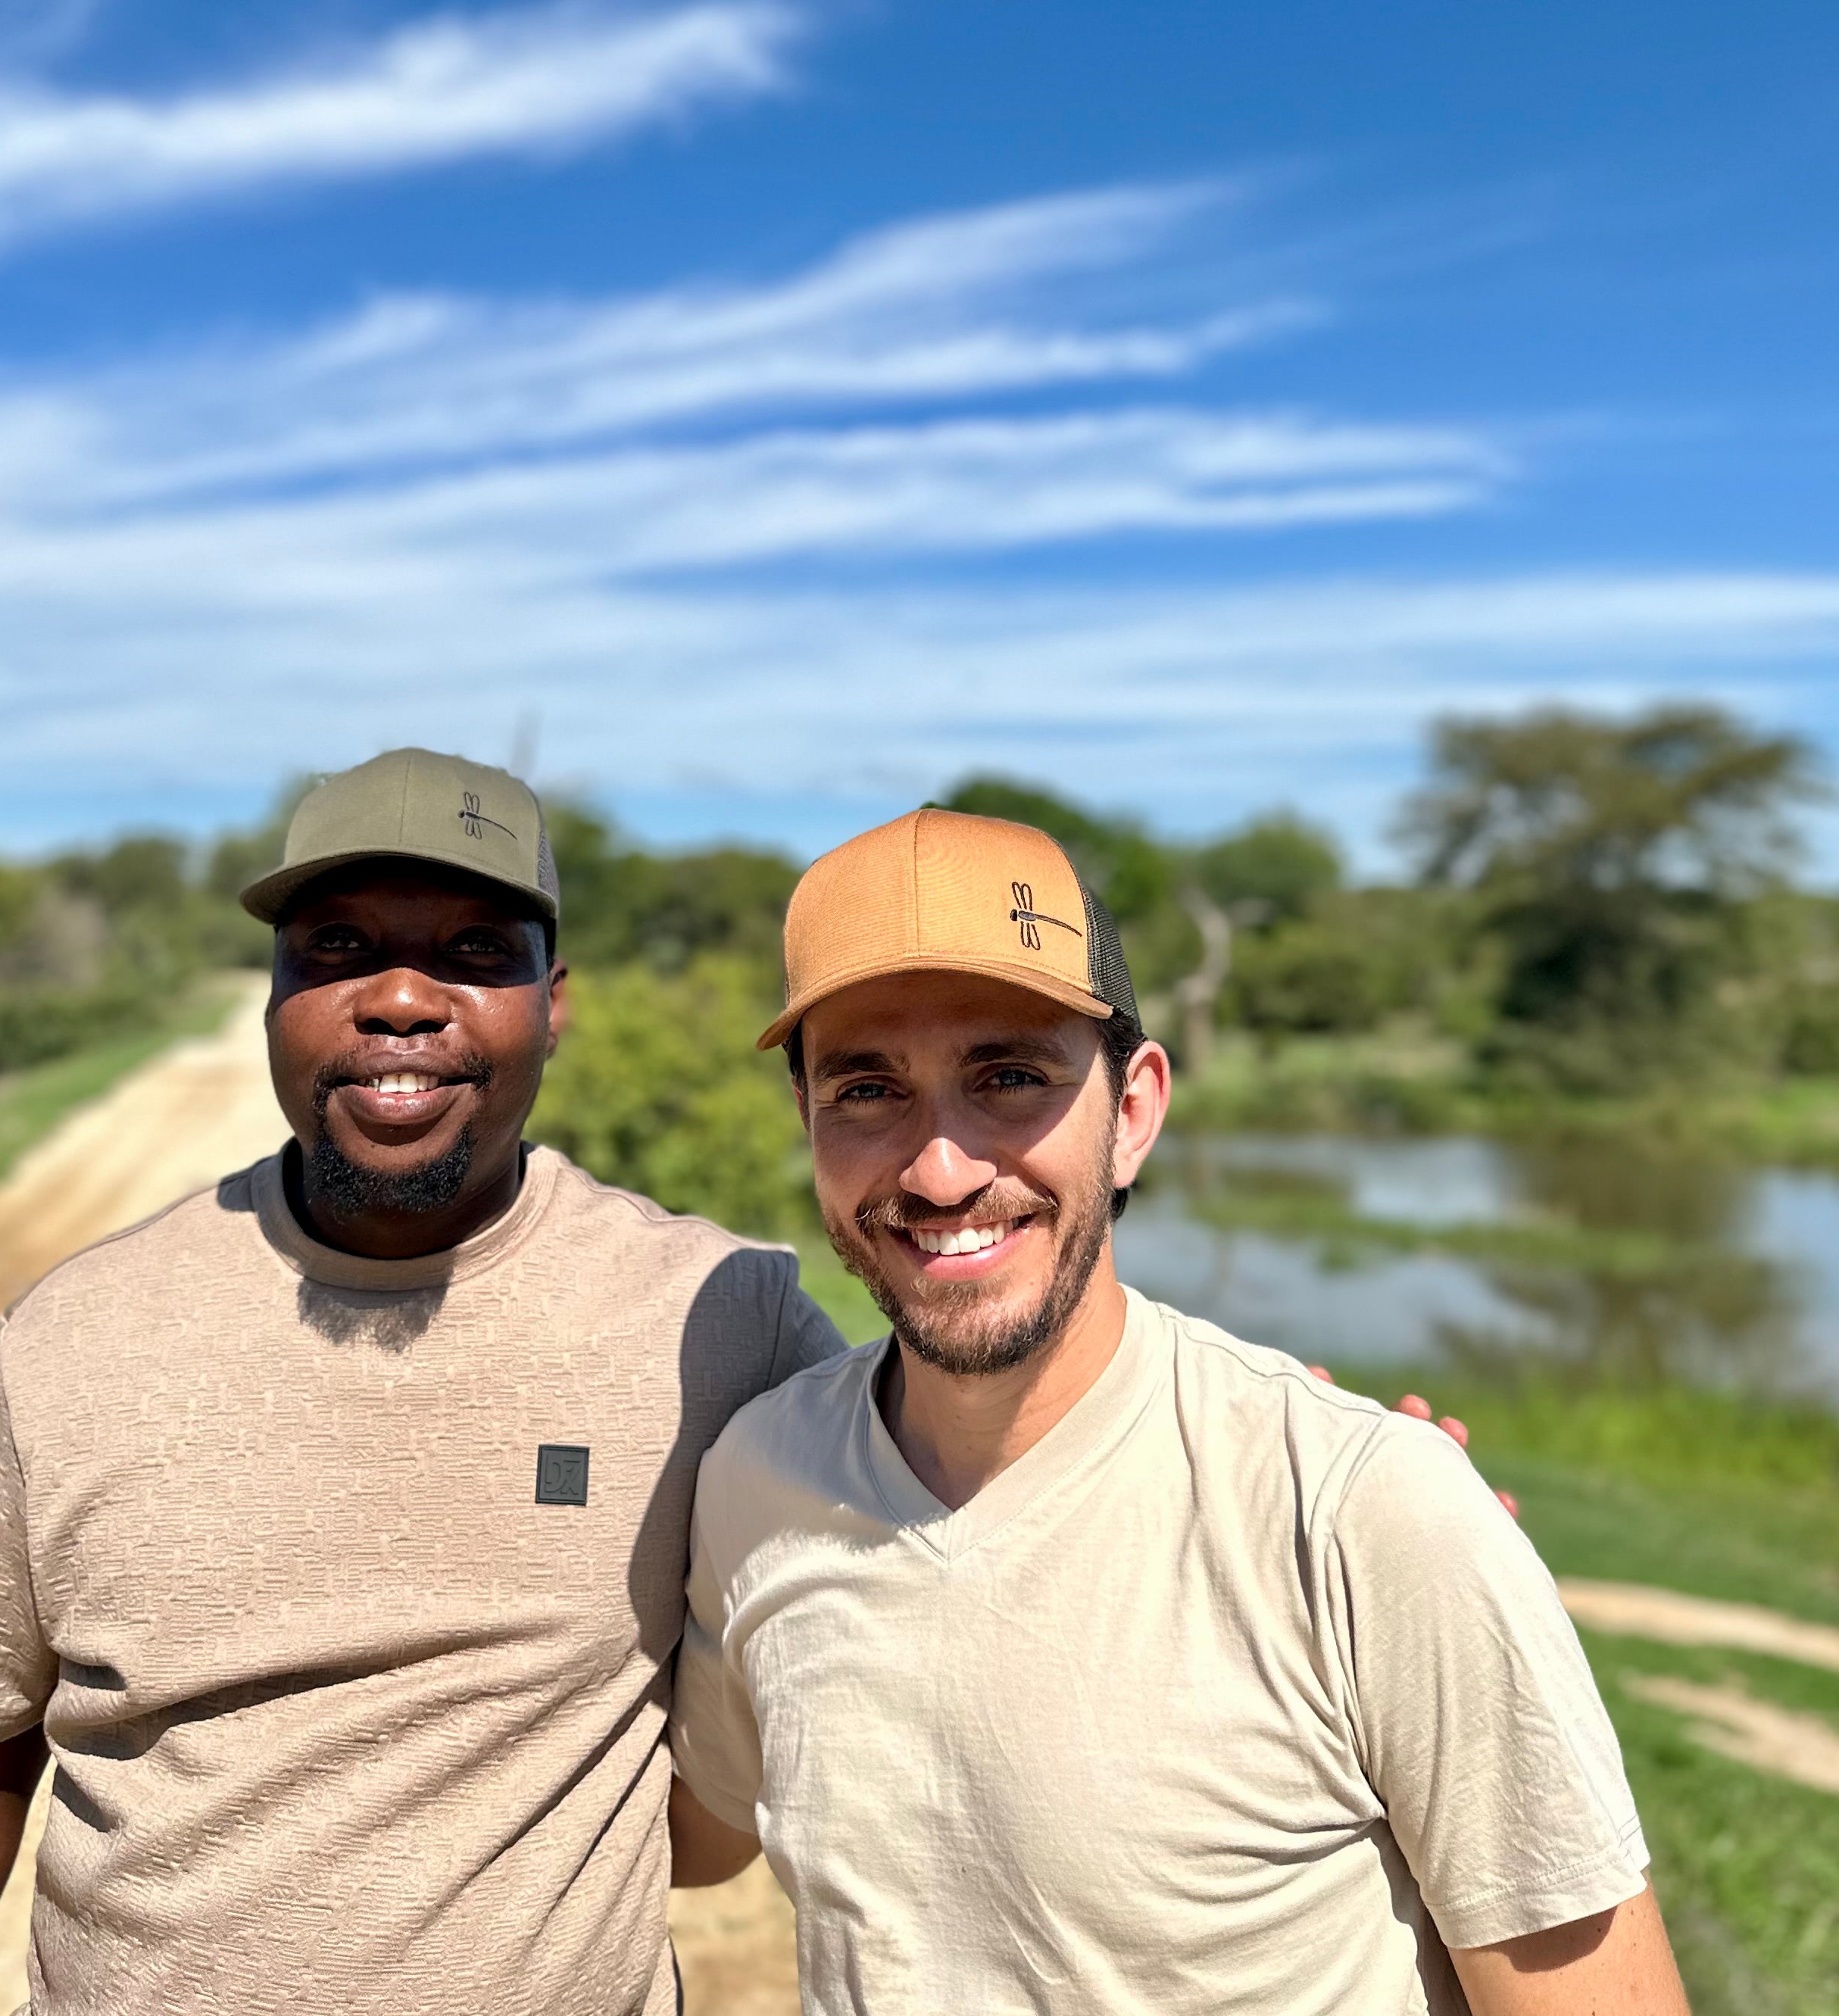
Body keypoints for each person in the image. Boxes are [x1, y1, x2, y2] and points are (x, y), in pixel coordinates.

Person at [0, 746, 841, 2016]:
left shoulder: (719, 1319)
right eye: (337, 947)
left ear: (554, 1002)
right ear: (273, 997)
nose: (401, 999)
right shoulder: (83, 1333)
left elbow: (961, 1560)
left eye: (470, 949)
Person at [668, 806, 1690, 2016]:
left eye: (1009, 1076)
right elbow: (702, 1837)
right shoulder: (757, 1480)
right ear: (808, 1121)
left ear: (1135, 1109)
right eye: (866, 1087)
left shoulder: (1361, 1509)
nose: (939, 1168)